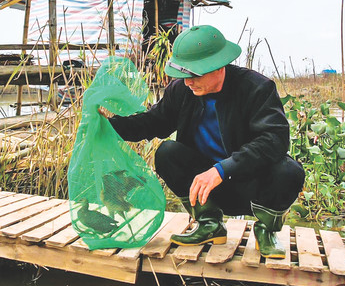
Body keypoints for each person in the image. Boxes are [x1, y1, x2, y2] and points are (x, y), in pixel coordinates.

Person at [101, 25, 305, 258]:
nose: (188, 82)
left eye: (195, 75)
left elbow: (274, 140)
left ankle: (266, 230)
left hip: (250, 184)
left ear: (219, 67)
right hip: (206, 189)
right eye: (183, 75)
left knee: (289, 171)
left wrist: (222, 169)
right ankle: (209, 223)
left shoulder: (256, 88)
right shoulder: (182, 90)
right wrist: (110, 127)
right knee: (167, 152)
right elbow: (154, 121)